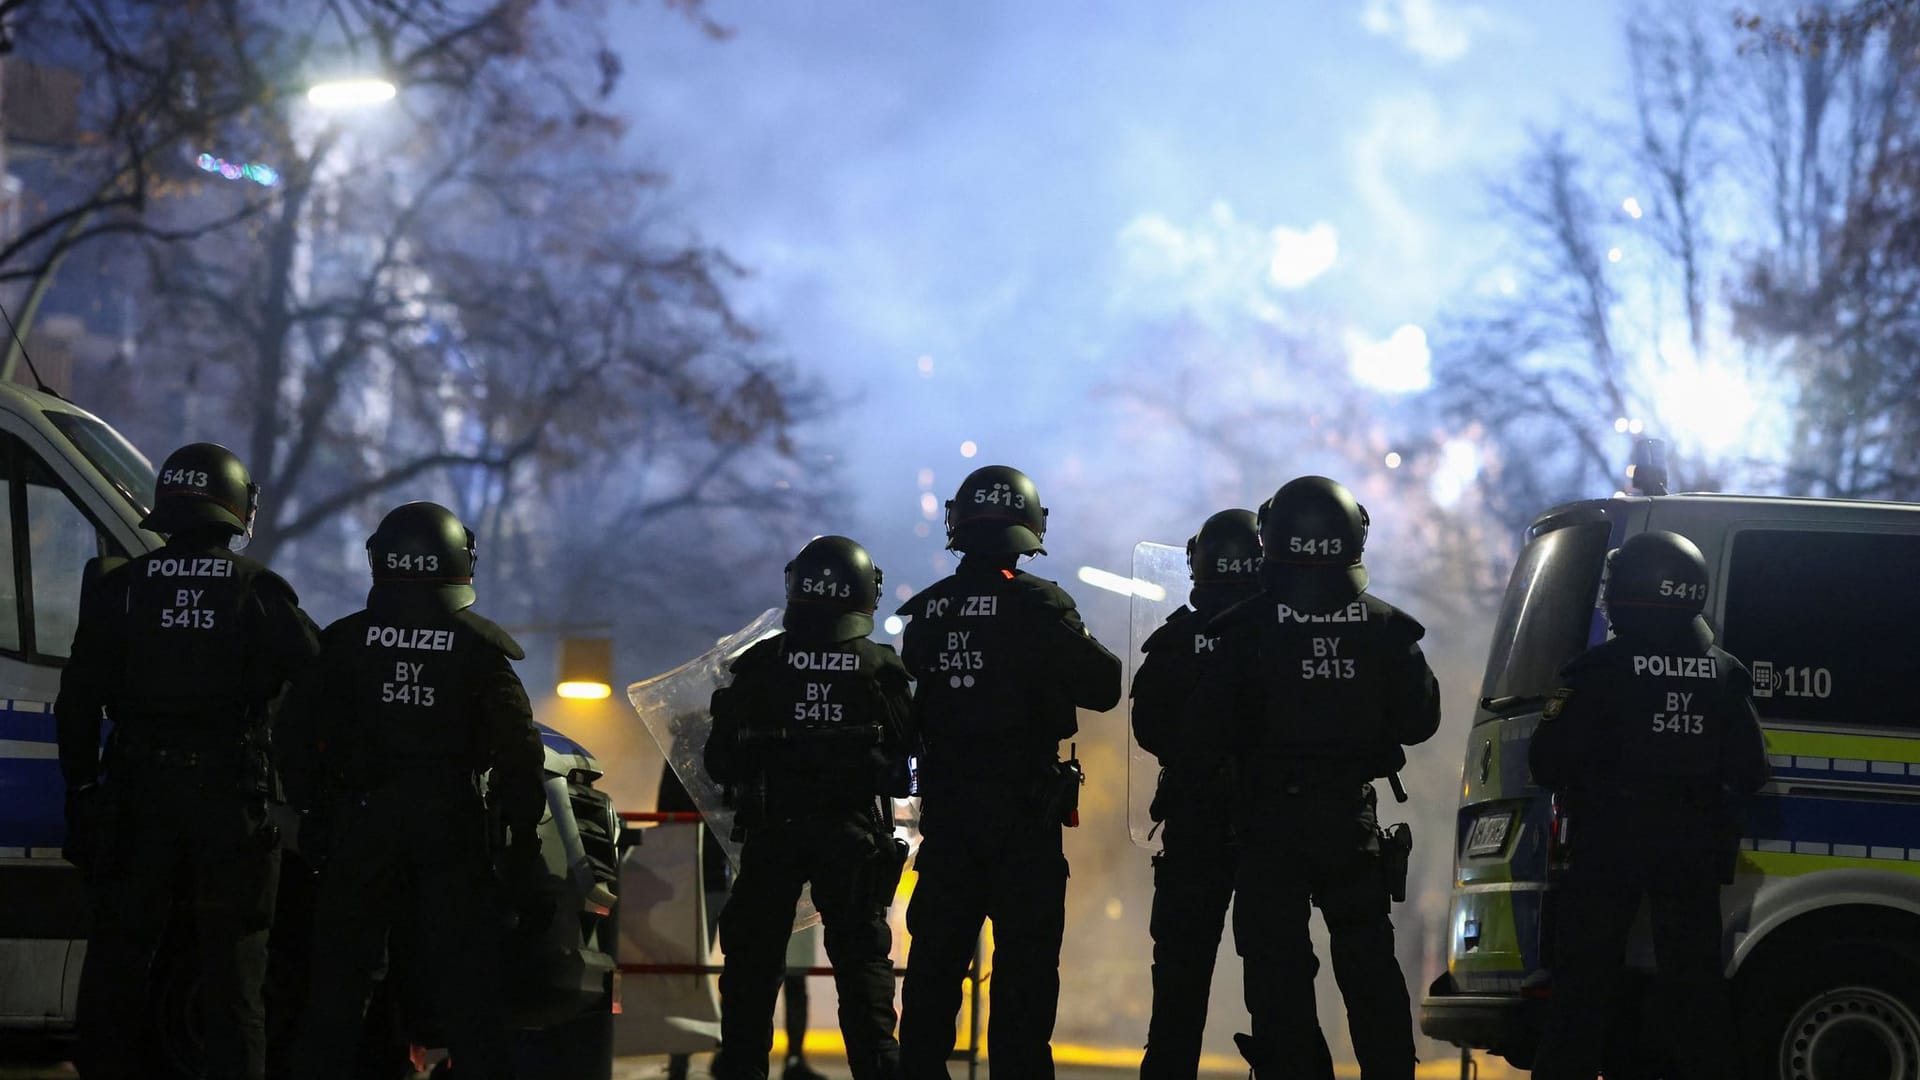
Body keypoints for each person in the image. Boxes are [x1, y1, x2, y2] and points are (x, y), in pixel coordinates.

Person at [55, 442, 319, 1080]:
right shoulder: (258, 590)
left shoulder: (120, 589)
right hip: (230, 804)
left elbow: (77, 702)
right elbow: (318, 685)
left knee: (116, 972)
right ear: (235, 510)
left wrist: (85, 790)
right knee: (235, 981)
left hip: (137, 798)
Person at [278, 501, 546, 1080]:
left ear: (381, 559)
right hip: (449, 828)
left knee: (339, 991)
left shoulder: (345, 643)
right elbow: (519, 752)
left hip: (361, 822)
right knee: (467, 990)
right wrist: (520, 838)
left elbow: (293, 734)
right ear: (458, 563)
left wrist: (315, 812)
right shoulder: (479, 649)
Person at [1196, 476, 1440, 1080]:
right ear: (1352, 536)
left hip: (1266, 825)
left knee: (1277, 973)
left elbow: (1204, 730)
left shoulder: (1241, 628)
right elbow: (1421, 722)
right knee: (1368, 967)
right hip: (1349, 825)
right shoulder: (1387, 629)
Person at [895, 465, 1123, 1079]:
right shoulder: (1041, 605)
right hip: (1025, 822)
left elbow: (914, 682)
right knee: (1023, 977)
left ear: (958, 525)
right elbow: (1105, 686)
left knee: (934, 970)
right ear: (1030, 526)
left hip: (949, 821)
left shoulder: (930, 610)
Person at [1527, 531, 1770, 1080]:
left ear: (1633, 590)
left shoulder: (1597, 672)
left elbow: (1547, 764)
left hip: (1606, 848)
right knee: (1697, 995)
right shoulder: (1726, 672)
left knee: (1582, 993)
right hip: (1691, 853)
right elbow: (1750, 774)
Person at [704, 535, 915, 1080]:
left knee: (751, 972)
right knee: (863, 970)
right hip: (850, 836)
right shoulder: (880, 669)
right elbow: (901, 769)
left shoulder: (757, 665)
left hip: (772, 832)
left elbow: (720, 763)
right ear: (865, 593)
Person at [1132, 509, 1267, 1080]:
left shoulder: (1176, 642)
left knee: (1180, 987)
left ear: (1199, 563)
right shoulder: (1277, 633)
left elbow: (1149, 732)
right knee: (1276, 977)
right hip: (1271, 826)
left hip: (1194, 829)